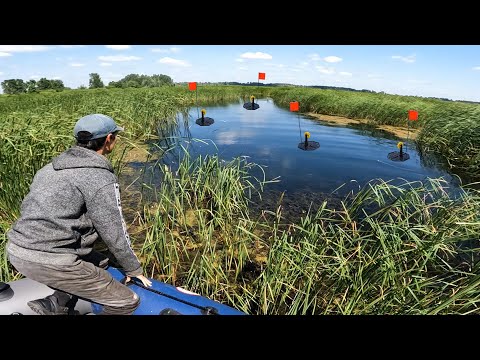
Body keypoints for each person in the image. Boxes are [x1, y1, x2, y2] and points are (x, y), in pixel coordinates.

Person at [6, 113, 152, 315]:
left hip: (16, 250)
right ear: (109, 139)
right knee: (127, 301)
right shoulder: (99, 177)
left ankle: (55, 303)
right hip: (49, 259)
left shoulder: (49, 169)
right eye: (115, 137)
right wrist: (133, 269)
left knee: (102, 262)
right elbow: (114, 230)